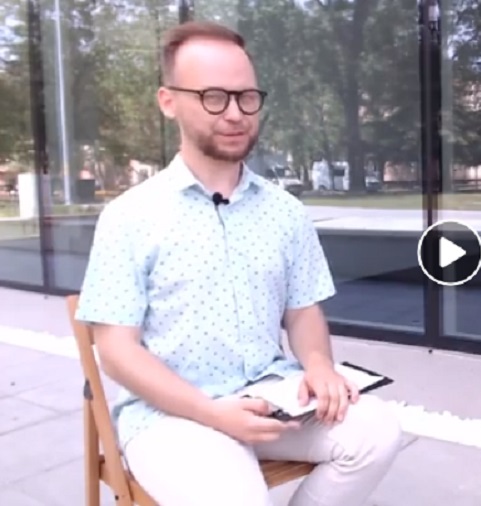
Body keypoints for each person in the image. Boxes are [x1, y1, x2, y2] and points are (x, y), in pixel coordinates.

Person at [75, 21, 402, 506]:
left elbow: (303, 312)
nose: (235, 114)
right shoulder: (130, 217)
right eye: (213, 97)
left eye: (247, 97)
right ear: (168, 101)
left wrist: (318, 365)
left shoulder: (286, 212)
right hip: (172, 415)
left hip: (274, 395)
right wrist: (211, 413)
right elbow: (117, 352)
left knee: (377, 431)